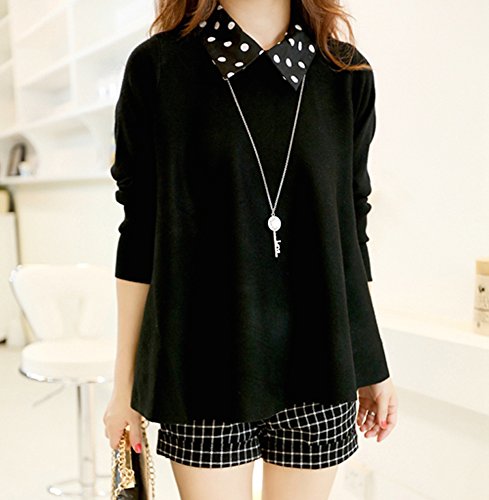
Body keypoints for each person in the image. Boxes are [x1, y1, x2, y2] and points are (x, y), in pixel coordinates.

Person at [103, 0, 398, 498]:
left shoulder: (346, 74)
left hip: (321, 364)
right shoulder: (159, 68)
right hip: (201, 368)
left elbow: (350, 231)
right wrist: (124, 387)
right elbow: (139, 237)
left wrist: (369, 360)